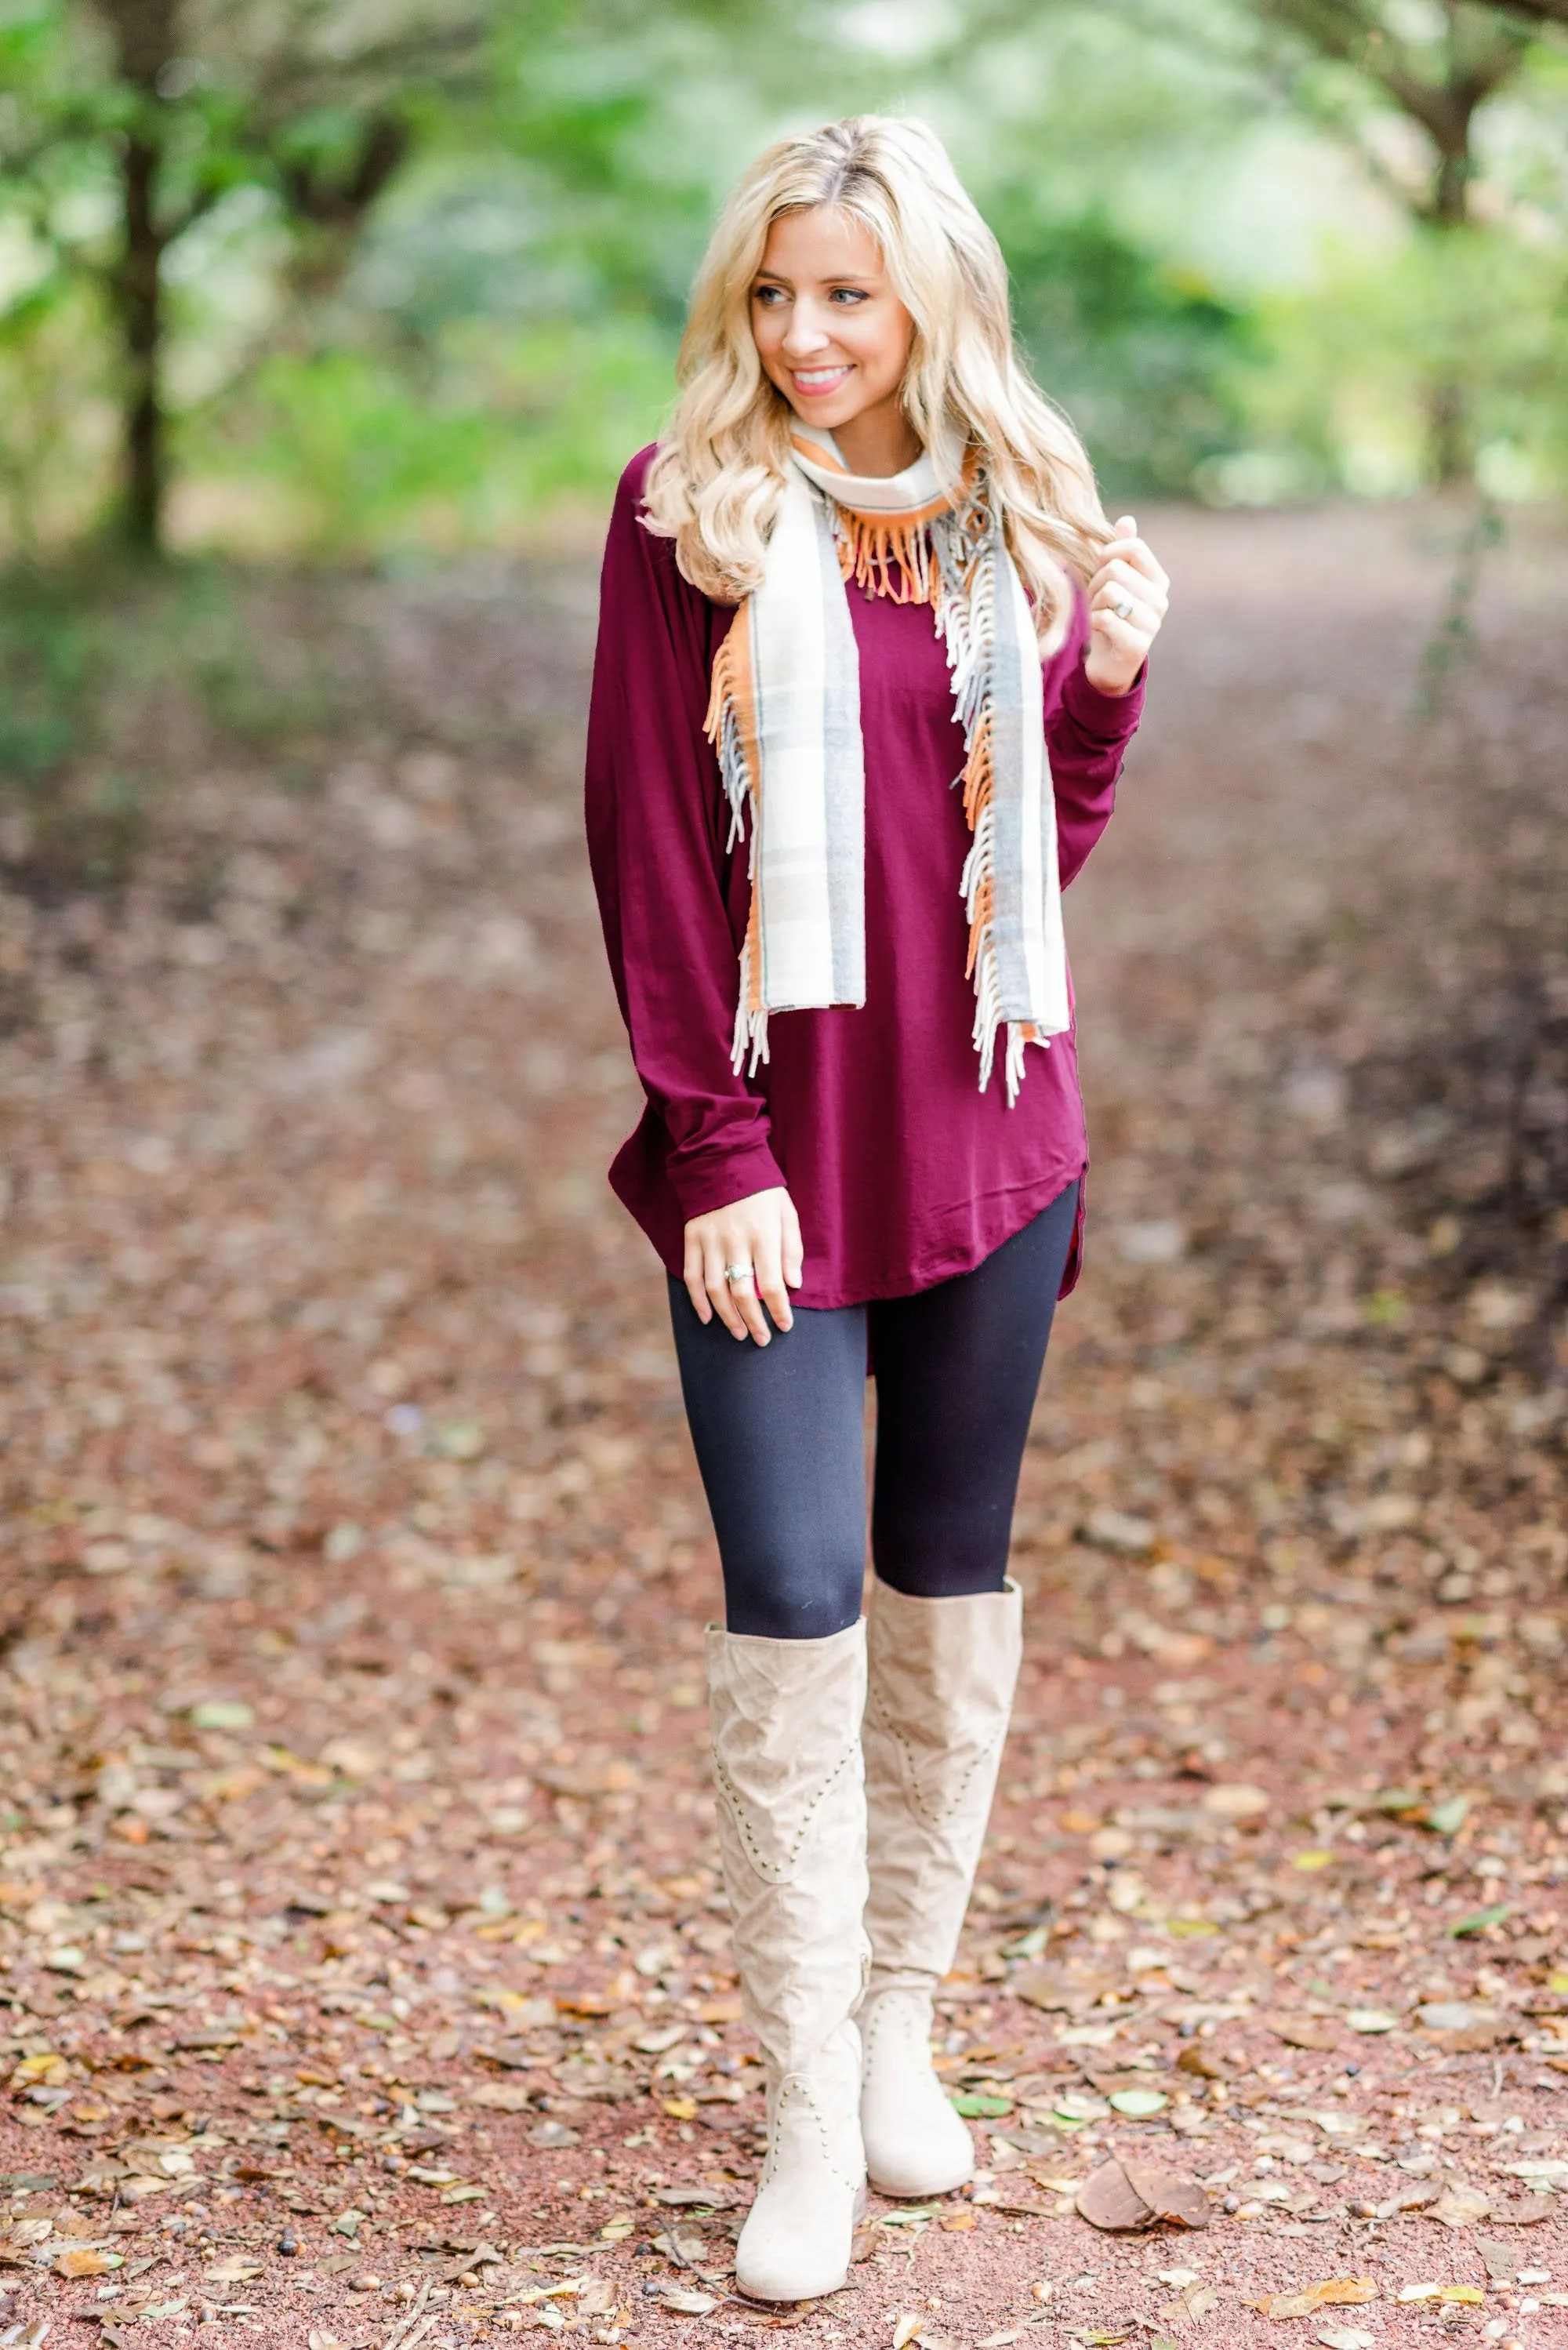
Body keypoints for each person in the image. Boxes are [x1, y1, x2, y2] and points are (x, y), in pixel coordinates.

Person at [585, 114, 1167, 2303]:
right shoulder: (688, 517)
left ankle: (901, 2013)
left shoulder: (1015, 515)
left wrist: (1099, 687)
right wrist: (712, 1149)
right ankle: (805, 2104)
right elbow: (651, 856)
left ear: (932, 298)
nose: (807, 333)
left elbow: (1022, 870)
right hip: (778, 1163)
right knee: (794, 1597)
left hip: (992, 1137)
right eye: (774, 292)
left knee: (946, 1580)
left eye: (850, 292)